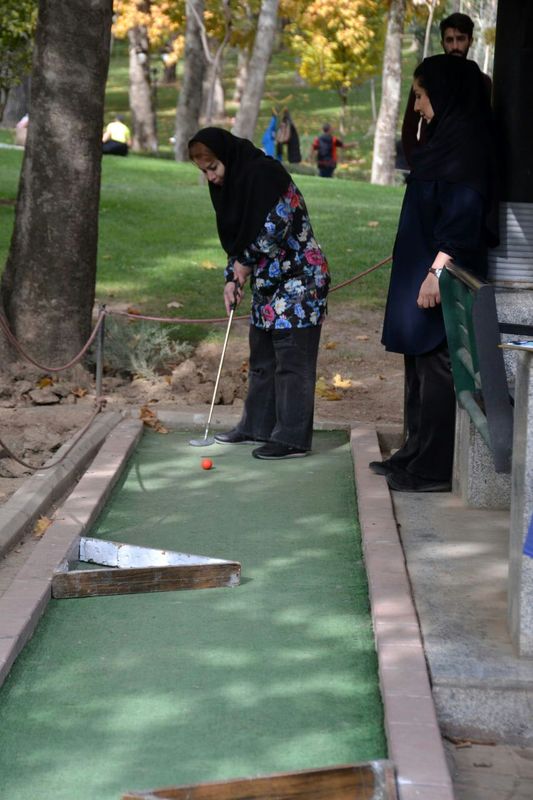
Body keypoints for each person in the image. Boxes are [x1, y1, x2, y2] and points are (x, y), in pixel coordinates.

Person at [373, 54, 498, 492]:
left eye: (421, 96)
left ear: (444, 95)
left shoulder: (467, 148)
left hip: (439, 274)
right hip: (420, 271)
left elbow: (462, 218)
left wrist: (436, 272)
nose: (418, 107)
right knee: (418, 365)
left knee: (438, 368)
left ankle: (432, 468)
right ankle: (414, 451)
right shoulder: (443, 140)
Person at [188, 127, 330, 460]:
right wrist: (231, 278)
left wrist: (244, 264)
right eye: (204, 172)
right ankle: (257, 427)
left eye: (213, 168)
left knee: (292, 362)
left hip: (301, 280)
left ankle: (292, 439)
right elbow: (237, 238)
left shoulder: (266, 174)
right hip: (268, 284)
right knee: (262, 359)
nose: (211, 177)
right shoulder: (231, 187)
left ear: (227, 157)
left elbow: (275, 227)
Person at [401, 13, 493, 168]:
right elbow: (410, 126)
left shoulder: (482, 82)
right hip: (429, 163)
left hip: (465, 167)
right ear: (442, 43)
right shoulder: (426, 77)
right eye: (449, 40)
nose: (455, 46)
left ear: (470, 41)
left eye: (461, 39)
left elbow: (485, 128)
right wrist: (417, 162)